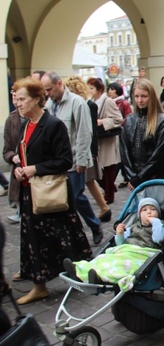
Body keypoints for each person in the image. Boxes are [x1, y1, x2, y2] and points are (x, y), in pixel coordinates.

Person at [13, 77, 92, 304]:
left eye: (22, 99)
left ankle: (80, 274)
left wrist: (33, 169)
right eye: (16, 99)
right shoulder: (26, 124)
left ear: (38, 99)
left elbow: (64, 160)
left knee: (64, 235)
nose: (18, 103)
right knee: (34, 239)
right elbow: (24, 155)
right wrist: (20, 169)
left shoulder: (53, 124)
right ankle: (39, 284)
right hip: (31, 192)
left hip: (51, 191)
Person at [41, 71, 103, 245]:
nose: (47, 93)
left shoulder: (77, 103)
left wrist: (82, 160)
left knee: (76, 197)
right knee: (61, 200)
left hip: (75, 159)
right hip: (56, 161)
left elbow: (84, 132)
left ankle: (94, 225)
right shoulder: (49, 104)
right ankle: (70, 234)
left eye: (49, 89)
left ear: (59, 84)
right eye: (45, 90)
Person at [64, 197, 164, 287]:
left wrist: (155, 222)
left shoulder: (160, 225)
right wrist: (120, 234)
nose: (149, 212)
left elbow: (158, 239)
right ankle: (79, 271)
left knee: (121, 264)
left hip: (141, 253)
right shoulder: (134, 227)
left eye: (153, 209)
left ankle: (98, 277)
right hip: (126, 250)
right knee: (104, 258)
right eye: (145, 210)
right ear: (139, 215)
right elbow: (120, 244)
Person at [65, 76, 111, 223]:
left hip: (87, 151)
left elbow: (90, 130)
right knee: (89, 181)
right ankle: (104, 208)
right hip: (81, 151)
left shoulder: (87, 104)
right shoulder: (74, 104)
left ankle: (104, 208)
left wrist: (91, 152)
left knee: (88, 181)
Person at [120, 79, 164, 191]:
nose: (140, 100)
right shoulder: (130, 120)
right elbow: (124, 150)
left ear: (151, 96)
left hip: (155, 176)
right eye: (137, 96)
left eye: (144, 96)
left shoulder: (163, 120)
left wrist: (140, 177)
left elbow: (158, 154)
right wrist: (132, 176)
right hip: (135, 177)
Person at [87, 77, 124, 205]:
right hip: (97, 138)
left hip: (107, 138)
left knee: (108, 167)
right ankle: (109, 188)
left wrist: (102, 121)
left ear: (99, 89)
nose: (90, 91)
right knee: (95, 167)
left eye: (92, 88)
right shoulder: (91, 101)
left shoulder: (107, 101)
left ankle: (109, 194)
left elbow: (118, 119)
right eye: (89, 88)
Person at [3, 88, 25, 224]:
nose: (16, 102)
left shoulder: (41, 117)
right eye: (14, 97)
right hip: (19, 169)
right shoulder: (11, 119)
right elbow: (6, 150)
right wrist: (13, 157)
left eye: (19, 98)